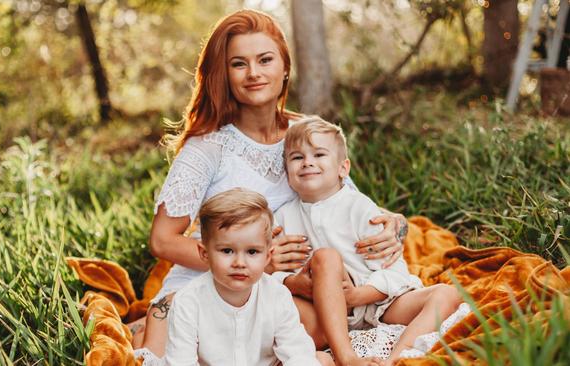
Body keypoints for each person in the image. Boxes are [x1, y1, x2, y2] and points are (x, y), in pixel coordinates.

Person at [137, 9, 408, 358]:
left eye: (265, 59)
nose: (254, 73)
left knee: (315, 322)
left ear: (284, 67)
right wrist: (255, 260)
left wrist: (396, 226)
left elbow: (342, 199)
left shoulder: (306, 133)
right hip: (217, 281)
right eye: (239, 64)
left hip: (288, 288)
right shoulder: (208, 148)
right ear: (224, 74)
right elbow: (162, 240)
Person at [273, 119, 463, 366]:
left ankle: (394, 358)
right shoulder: (282, 217)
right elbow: (270, 273)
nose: (308, 162)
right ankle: (344, 357)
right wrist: (290, 280)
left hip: (378, 305)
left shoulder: (360, 208)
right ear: (287, 174)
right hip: (321, 313)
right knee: (325, 258)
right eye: (297, 158)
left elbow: (394, 269)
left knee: (447, 294)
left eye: (319, 154)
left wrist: (358, 296)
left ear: (343, 168)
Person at [164, 188, 333, 366]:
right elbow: (180, 362)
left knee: (320, 360)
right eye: (227, 251)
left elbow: (297, 352)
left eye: (252, 251)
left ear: (268, 256)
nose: (239, 262)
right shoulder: (188, 302)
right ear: (205, 253)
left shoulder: (276, 295)